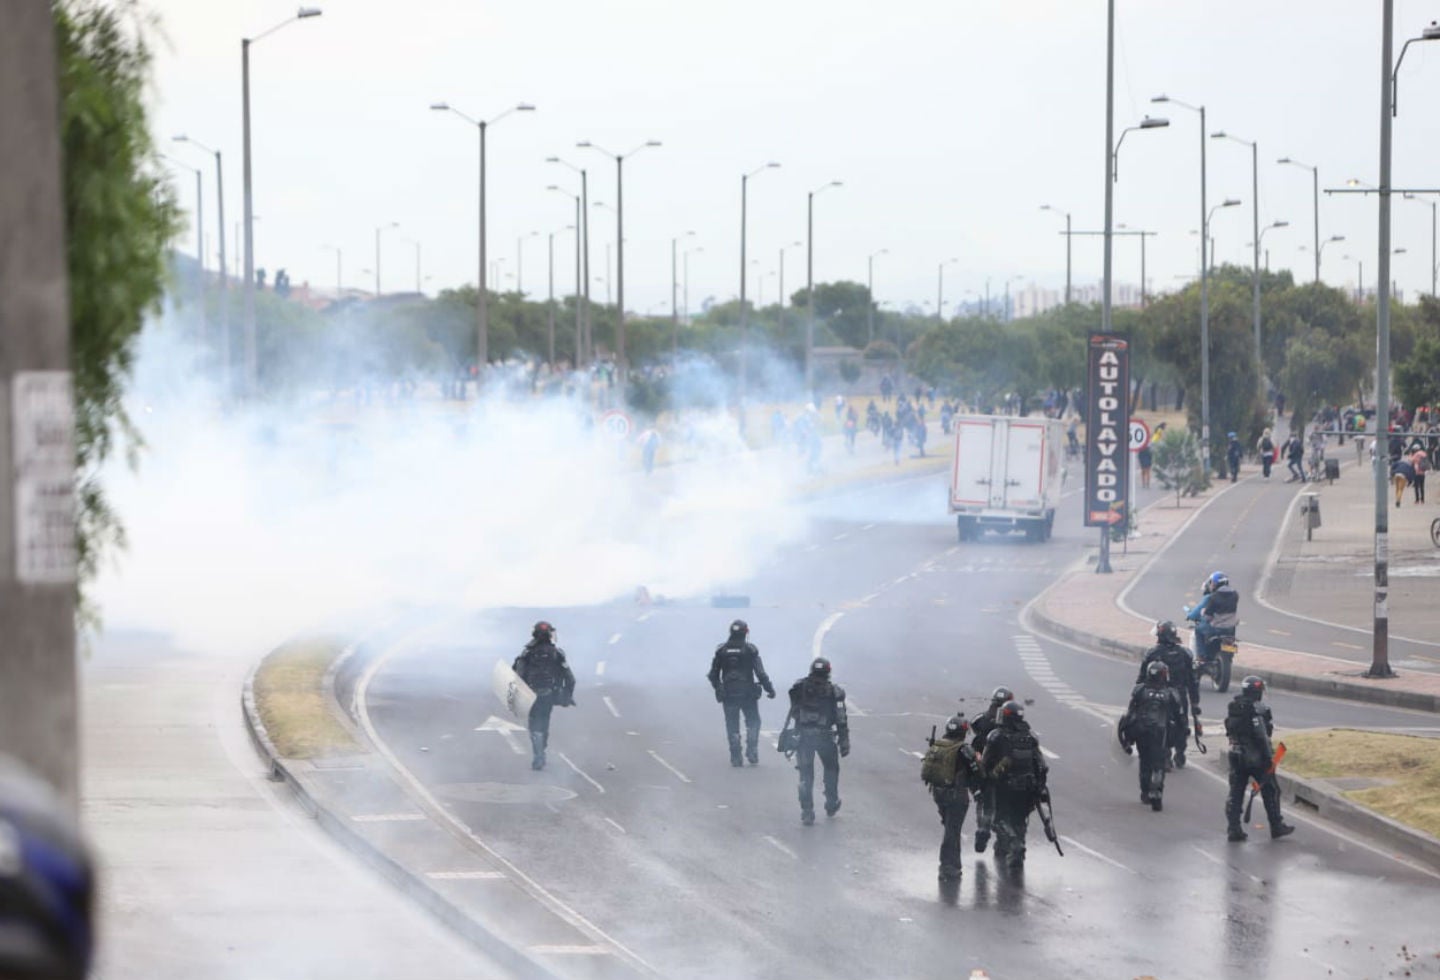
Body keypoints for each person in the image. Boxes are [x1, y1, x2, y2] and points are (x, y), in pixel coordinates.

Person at [1224, 676, 1295, 842]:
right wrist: (1269, 758)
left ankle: (1233, 828)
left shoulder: (1234, 706)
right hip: (1255, 757)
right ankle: (1276, 825)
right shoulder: (1258, 709)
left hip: (1236, 754)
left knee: (1236, 792)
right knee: (1271, 790)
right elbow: (1262, 735)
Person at [980, 700, 1048, 871]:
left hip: (1005, 787)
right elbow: (1041, 765)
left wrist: (984, 783)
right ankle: (1016, 855)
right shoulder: (1030, 736)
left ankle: (1014, 844)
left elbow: (985, 764)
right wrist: (1039, 788)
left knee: (999, 820)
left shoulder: (996, 736)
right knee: (1020, 820)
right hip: (1028, 787)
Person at [786, 657, 849, 825]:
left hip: (804, 737)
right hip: (825, 737)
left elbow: (794, 709)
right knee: (831, 769)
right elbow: (841, 719)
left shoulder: (800, 687)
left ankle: (807, 811)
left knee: (805, 774)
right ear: (828, 671)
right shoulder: (835, 692)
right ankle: (831, 802)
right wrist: (844, 742)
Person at [921, 714, 983, 881]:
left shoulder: (938, 745)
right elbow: (977, 773)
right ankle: (948, 866)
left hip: (938, 794)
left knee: (950, 828)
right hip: (956, 797)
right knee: (952, 831)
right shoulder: (964, 749)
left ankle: (954, 865)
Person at [707, 620, 776, 767]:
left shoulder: (721, 651)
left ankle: (735, 755)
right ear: (746, 632)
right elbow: (761, 673)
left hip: (729, 693)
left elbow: (713, 675)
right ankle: (752, 749)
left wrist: (719, 687)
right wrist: (769, 689)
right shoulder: (750, 650)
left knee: (732, 724)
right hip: (748, 693)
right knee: (753, 721)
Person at [1136, 620, 1201, 769]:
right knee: (1181, 724)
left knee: (1159, 725)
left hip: (1159, 696)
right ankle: (1180, 753)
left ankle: (1166, 756)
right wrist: (1195, 702)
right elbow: (1193, 681)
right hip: (1180, 695)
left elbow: (1141, 679)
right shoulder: (1185, 653)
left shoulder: (1152, 653)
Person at [513, 621, 576, 770]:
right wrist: (567, 696)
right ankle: (541, 750)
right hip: (548, 695)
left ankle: (538, 754)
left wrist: (517, 696)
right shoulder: (557, 653)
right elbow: (570, 679)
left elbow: (518, 676)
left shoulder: (527, 653)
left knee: (534, 724)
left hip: (530, 695)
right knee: (544, 722)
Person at [1121, 661, 1183, 811]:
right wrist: (1181, 734)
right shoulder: (1171, 693)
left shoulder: (1140, 690)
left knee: (1145, 761)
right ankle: (1156, 792)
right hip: (1160, 733)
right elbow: (1180, 717)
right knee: (1158, 764)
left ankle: (1145, 792)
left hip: (1142, 731)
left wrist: (1127, 737)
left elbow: (1130, 713)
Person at [968, 685, 1013, 853]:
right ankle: (1002, 842)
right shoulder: (1013, 722)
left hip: (984, 769)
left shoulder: (982, 719)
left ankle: (983, 829)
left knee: (984, 802)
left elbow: (974, 734)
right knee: (1004, 808)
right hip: (1005, 772)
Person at [1187, 571, 1239, 673]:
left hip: (1216, 628)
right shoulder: (1235, 595)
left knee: (1198, 630)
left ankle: (1201, 657)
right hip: (1230, 629)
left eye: (1212, 583)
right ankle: (1229, 656)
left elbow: (1207, 616)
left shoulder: (1213, 597)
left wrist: (1203, 613)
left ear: (1215, 584)